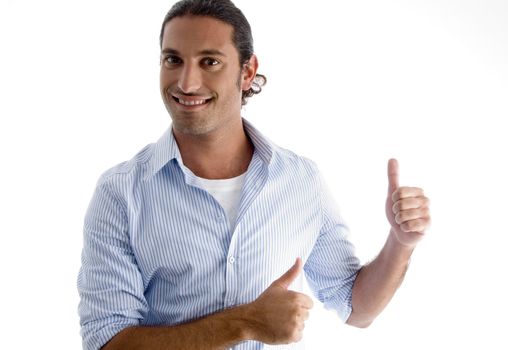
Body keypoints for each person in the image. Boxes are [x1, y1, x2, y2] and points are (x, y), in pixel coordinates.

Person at [77, 0, 431, 349]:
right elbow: (108, 343)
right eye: (173, 60)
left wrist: (400, 243)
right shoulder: (120, 193)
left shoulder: (300, 180)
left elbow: (356, 307)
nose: (186, 82)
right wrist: (245, 322)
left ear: (247, 72)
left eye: (209, 62)